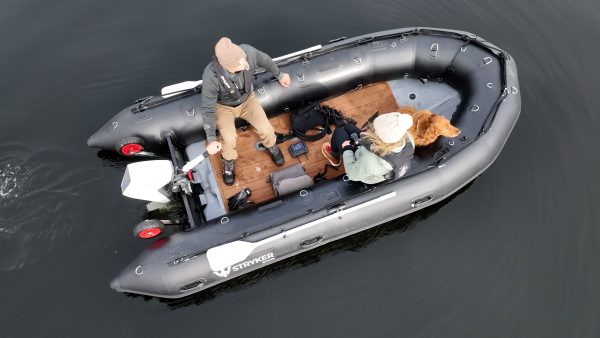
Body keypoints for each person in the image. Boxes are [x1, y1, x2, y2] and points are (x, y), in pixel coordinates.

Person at [200, 37, 291, 185]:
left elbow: (266, 60)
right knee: (228, 138)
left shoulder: (248, 52)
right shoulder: (211, 75)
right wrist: (211, 140)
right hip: (224, 107)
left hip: (248, 100)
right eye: (239, 62)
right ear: (227, 66)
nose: (244, 62)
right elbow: (207, 107)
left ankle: (272, 146)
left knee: (266, 129)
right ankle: (228, 162)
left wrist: (280, 75)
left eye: (243, 59)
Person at [324, 113, 415, 184]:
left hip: (367, 168)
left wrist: (347, 150)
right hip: (373, 157)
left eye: (374, 129)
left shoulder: (370, 160)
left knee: (339, 132)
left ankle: (335, 156)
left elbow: (352, 174)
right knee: (348, 127)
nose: (372, 128)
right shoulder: (408, 138)